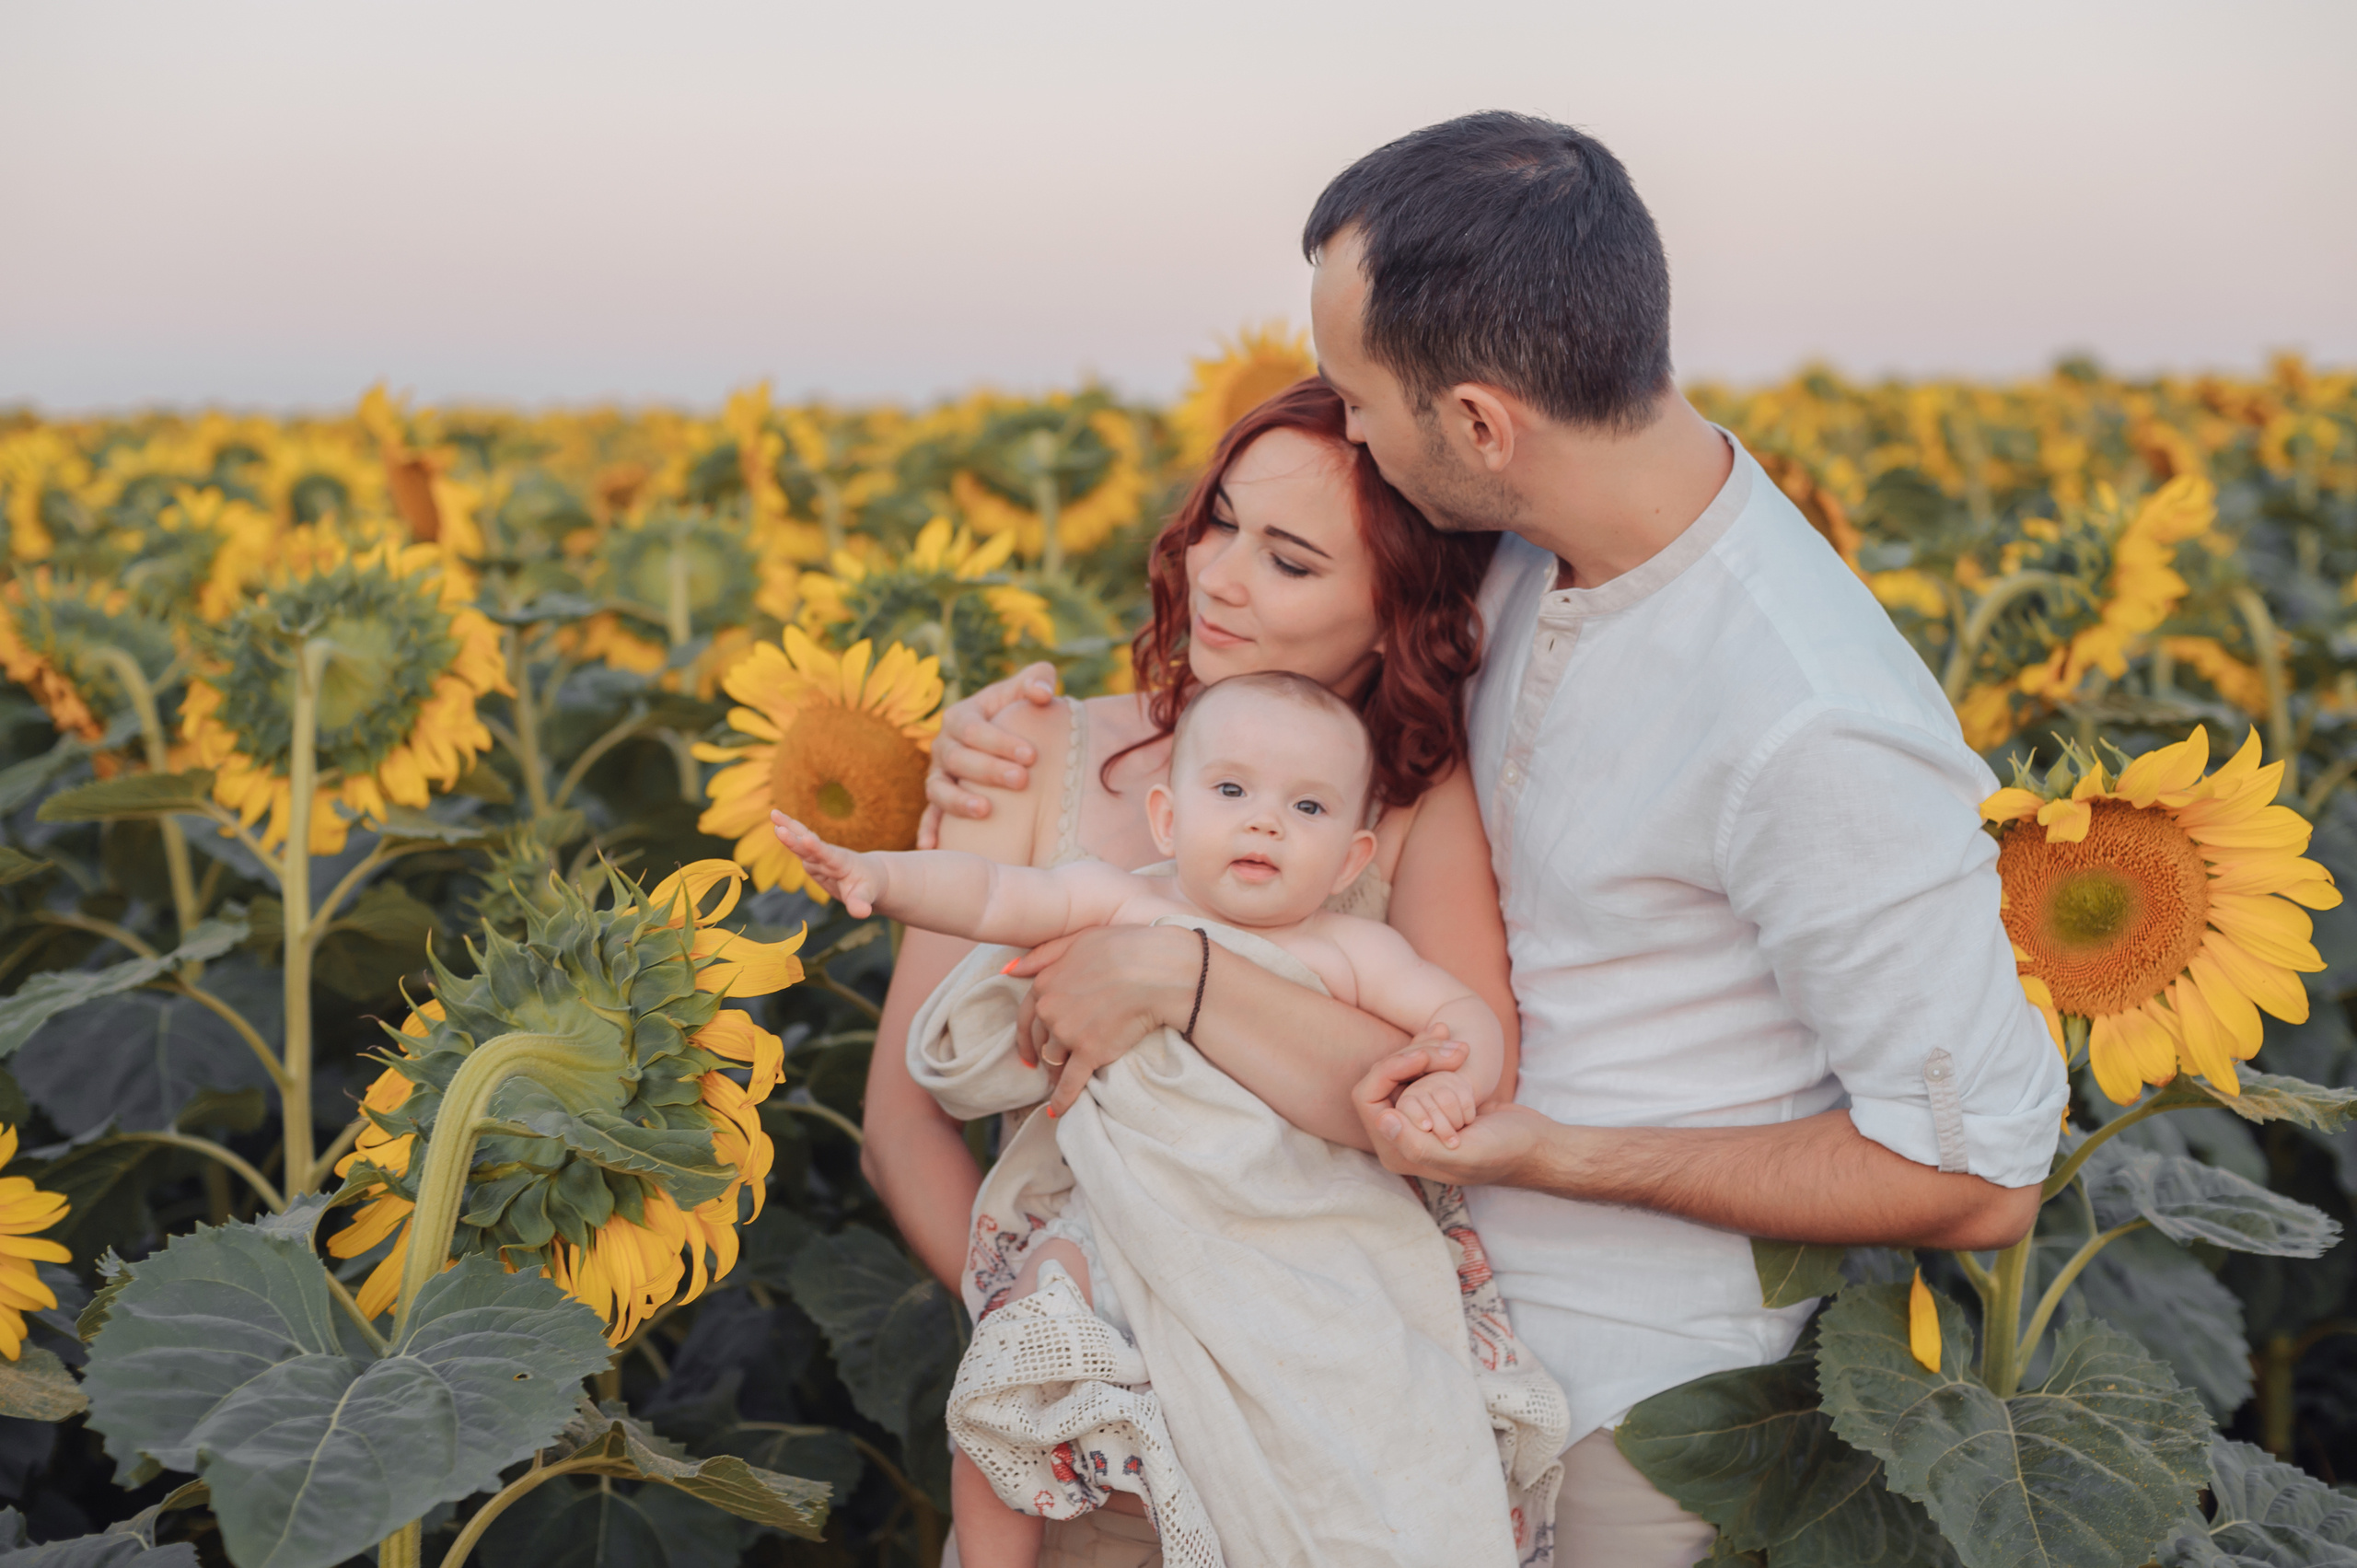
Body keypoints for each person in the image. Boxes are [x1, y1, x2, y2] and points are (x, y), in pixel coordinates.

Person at [925, 112, 2071, 1567]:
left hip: (1620, 1403)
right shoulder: (1513, 547)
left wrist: (1556, 1152)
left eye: (1358, 398)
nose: (1346, 429)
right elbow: (1296, 649)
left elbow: (1978, 1173)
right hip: (1368, 1337)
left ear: (1478, 422)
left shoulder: (1813, 720)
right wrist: (1020, 730)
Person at [860, 378, 1512, 1568]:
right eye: (1218, 520)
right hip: (1068, 1466)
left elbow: (1448, 1094)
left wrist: (1182, 972)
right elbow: (900, 1125)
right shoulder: (1024, 750)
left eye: (1290, 559)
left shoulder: (1414, 809)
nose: (1217, 574)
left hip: (1307, 1434)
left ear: (1397, 610)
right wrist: (1064, 1349)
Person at [782, 672, 1523, 1567]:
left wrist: (1454, 1077)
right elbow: (987, 893)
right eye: (1232, 789)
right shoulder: (1127, 900)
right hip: (1114, 1220)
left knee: (1363, 1379)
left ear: (1349, 859)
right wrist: (880, 874)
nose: (1265, 822)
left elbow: (1459, 1016)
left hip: (1283, 1234)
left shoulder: (1352, 949)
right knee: (1016, 1352)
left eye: (1307, 806)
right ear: (1168, 819)